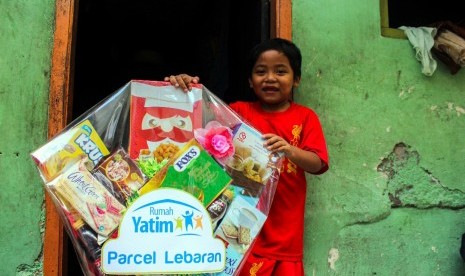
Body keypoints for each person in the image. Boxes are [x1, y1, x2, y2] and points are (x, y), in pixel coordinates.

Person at [165, 38, 329, 276]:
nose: (270, 78)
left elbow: (318, 164)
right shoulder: (238, 112)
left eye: (281, 71)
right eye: (261, 72)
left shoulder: (305, 117)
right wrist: (184, 88)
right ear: (250, 81)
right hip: (237, 226)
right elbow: (199, 120)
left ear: (296, 79)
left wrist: (289, 150)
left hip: (285, 235)